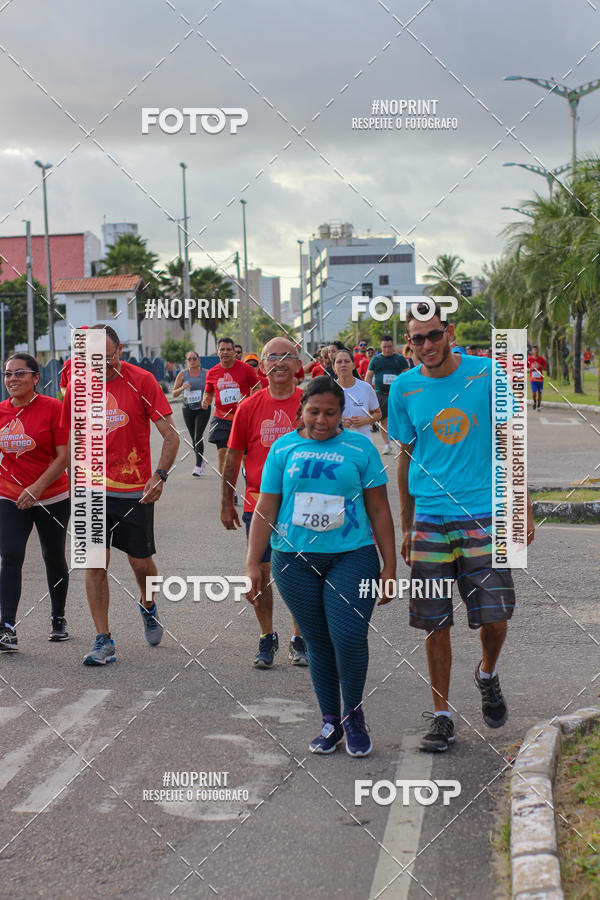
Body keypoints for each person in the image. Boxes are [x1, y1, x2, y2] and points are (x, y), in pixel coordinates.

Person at [388, 302, 535, 752]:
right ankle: (442, 716)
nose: (427, 345)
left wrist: (522, 505)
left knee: (496, 616)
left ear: (448, 332)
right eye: (418, 339)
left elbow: (511, 438)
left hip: (485, 512)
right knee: (435, 622)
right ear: (409, 342)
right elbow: (405, 457)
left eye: (434, 335)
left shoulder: (488, 373)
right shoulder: (404, 389)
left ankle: (486, 672)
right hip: (430, 517)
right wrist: (407, 524)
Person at [246, 376, 396, 756]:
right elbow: (266, 509)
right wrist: (252, 565)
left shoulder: (360, 448)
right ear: (302, 410)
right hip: (293, 560)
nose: (322, 420)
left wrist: (390, 565)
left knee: (347, 637)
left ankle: (354, 714)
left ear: (342, 413)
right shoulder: (283, 449)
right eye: (314, 412)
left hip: (352, 555)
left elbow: (379, 509)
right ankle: (330, 720)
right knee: (317, 643)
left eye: (331, 413)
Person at [61, 325, 180, 666]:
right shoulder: (76, 388)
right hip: (90, 490)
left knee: (140, 563)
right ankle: (103, 639)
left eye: (107, 357)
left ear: (120, 350)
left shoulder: (142, 380)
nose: (100, 365)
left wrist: (160, 476)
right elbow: (67, 440)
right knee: (95, 564)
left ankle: (148, 604)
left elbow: (171, 437)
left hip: (133, 491)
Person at [221, 337, 308, 668]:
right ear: (263, 366)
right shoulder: (249, 407)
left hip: (304, 506)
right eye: (273, 357)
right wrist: (225, 501)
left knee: (301, 574)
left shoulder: (309, 402)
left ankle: (300, 638)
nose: (280, 362)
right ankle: (266, 636)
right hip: (257, 505)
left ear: (298, 363)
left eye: (287, 356)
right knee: (259, 572)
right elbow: (233, 458)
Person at [0, 354, 70, 650]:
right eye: (7, 374)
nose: (12, 379)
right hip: (10, 496)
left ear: (36, 378)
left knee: (52, 556)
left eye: (20, 374)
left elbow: (64, 456)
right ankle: (6, 627)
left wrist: (37, 488)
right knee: (11, 554)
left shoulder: (54, 408)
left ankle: (58, 618)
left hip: (52, 495)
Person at [202, 337, 260, 476]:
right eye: (222, 349)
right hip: (221, 418)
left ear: (234, 352)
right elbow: (208, 392)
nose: (225, 352)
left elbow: (258, 388)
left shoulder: (246, 369)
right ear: (218, 352)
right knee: (223, 453)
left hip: (242, 418)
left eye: (229, 349)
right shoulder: (212, 372)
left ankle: (249, 486)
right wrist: (205, 400)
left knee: (245, 457)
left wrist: (249, 400)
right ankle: (228, 488)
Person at [365, 334, 409, 453]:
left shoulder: (399, 359)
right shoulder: (376, 359)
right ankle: (386, 445)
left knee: (399, 419)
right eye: (384, 347)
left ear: (393, 346)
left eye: (389, 347)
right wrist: (368, 391)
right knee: (382, 420)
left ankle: (399, 444)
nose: (387, 349)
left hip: (397, 395)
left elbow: (407, 374)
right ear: (381, 347)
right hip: (381, 394)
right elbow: (369, 375)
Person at [173, 350, 210, 476]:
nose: (192, 361)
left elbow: (214, 390)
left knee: (197, 437)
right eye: (190, 359)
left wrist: (207, 399)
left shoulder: (206, 373)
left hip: (202, 409)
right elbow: (174, 393)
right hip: (188, 408)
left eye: (195, 358)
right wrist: (182, 387)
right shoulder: (183, 374)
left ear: (199, 360)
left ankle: (198, 466)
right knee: (194, 439)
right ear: (186, 361)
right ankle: (201, 461)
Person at [333, 347, 381, 441]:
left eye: (347, 361)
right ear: (333, 367)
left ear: (354, 365)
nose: (343, 364)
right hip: (337, 444)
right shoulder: (328, 389)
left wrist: (365, 421)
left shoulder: (366, 388)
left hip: (362, 442)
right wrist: (338, 422)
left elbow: (378, 414)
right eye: (339, 362)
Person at [527, 344, 548, 411]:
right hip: (532, 379)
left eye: (536, 350)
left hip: (540, 380)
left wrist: (540, 366)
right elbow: (526, 369)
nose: (535, 351)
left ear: (538, 351)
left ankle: (538, 405)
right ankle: (534, 401)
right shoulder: (529, 359)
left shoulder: (541, 359)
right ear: (532, 351)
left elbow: (546, 368)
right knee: (533, 393)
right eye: (534, 350)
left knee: (539, 393)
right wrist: (530, 369)